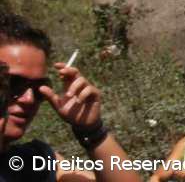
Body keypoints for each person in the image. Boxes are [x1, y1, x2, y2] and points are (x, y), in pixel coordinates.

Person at [0, 12, 142, 182]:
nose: (29, 99)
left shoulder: (35, 163)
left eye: (38, 88)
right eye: (13, 84)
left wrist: (93, 131)